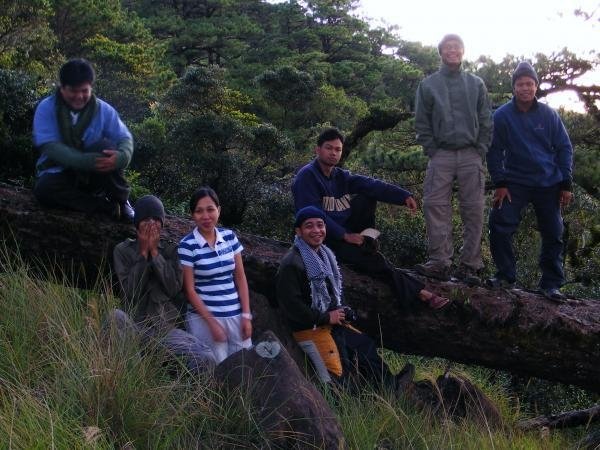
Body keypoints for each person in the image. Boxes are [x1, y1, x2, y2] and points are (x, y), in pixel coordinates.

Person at [292, 127, 449, 310]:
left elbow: (371, 185)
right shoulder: (307, 176)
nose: (334, 153)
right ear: (317, 150)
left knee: (366, 196)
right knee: (375, 262)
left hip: (345, 232)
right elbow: (312, 217)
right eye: (329, 148)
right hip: (323, 240)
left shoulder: (339, 176)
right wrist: (345, 235)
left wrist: (402, 196)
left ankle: (366, 241)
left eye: (338, 149)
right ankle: (420, 293)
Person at [276, 206, 401, 387]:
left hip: (331, 323)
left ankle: (392, 393)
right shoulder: (291, 263)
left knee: (365, 346)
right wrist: (327, 317)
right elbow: (293, 308)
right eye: (309, 226)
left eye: (320, 225)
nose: (316, 231)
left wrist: (342, 310)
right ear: (298, 231)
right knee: (336, 372)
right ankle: (338, 407)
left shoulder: (325, 255)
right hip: (310, 328)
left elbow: (334, 293)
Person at [487, 62, 573, 300]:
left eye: (529, 84)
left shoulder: (548, 114)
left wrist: (566, 182)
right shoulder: (502, 115)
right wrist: (500, 182)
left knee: (554, 232)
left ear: (536, 86)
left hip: (549, 182)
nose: (525, 88)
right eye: (520, 84)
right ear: (514, 87)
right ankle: (505, 275)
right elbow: (494, 151)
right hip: (515, 181)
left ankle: (551, 284)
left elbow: (564, 148)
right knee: (499, 223)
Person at [414, 34, 492, 284]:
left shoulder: (476, 83)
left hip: (471, 153)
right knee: (434, 205)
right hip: (441, 154)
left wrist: (481, 149)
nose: (452, 51)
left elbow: (486, 120)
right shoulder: (428, 85)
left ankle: (470, 264)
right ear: (440, 52)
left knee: (474, 209)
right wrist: (431, 149)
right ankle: (440, 262)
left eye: (456, 47)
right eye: (447, 47)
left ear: (463, 51)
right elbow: (421, 122)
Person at [110, 195, 215, 372]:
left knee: (206, 357)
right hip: (134, 324)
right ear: (137, 224)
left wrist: (155, 254)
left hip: (164, 329)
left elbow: (173, 288)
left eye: (156, 220)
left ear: (162, 224)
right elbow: (129, 293)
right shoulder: (123, 250)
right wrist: (143, 255)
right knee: (114, 316)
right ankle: (133, 379)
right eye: (146, 219)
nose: (151, 223)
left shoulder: (172, 250)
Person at [32, 58, 134, 221]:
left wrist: (122, 157)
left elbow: (124, 138)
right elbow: (50, 147)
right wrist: (86, 161)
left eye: (84, 91)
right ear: (62, 88)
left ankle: (121, 201)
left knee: (105, 148)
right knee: (44, 190)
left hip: (95, 173)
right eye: (73, 90)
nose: (79, 96)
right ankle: (103, 207)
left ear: (91, 88)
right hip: (61, 172)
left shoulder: (103, 110)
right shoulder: (46, 107)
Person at [178, 187, 253, 364]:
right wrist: (212, 324)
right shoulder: (187, 245)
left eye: (210, 209)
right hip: (204, 319)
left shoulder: (230, 237)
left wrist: (246, 316)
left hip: (235, 315)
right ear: (192, 214)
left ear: (219, 210)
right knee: (215, 371)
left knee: (245, 368)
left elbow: (240, 278)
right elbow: (189, 290)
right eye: (199, 211)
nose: (206, 216)